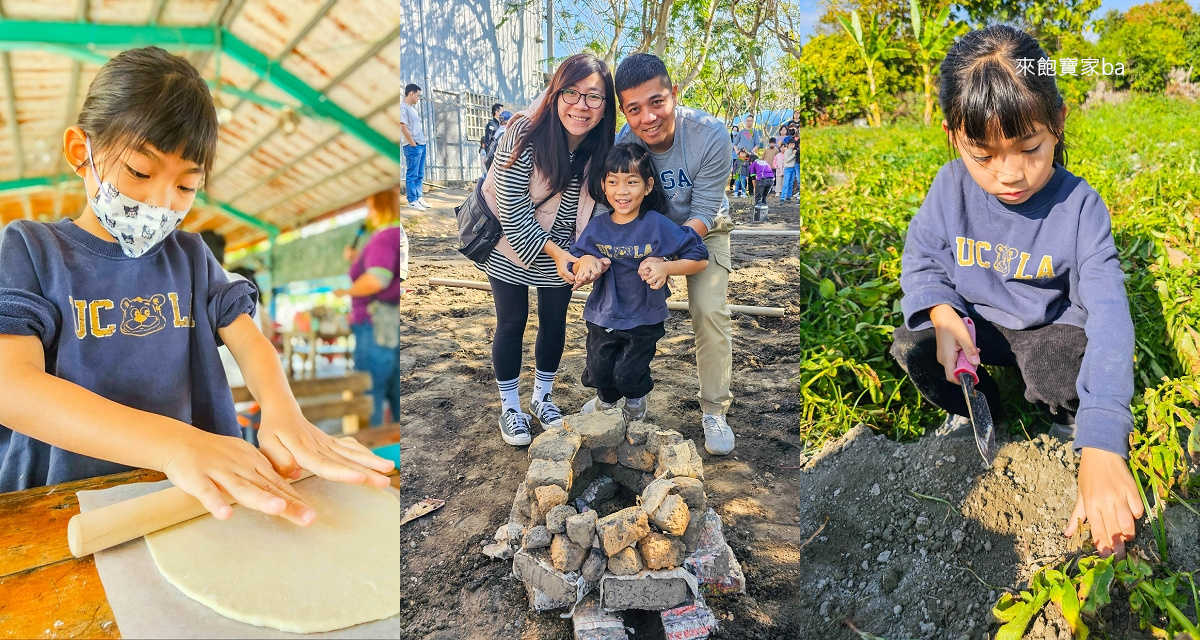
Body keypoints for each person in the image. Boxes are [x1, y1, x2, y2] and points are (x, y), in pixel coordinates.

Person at [0, 47, 393, 520]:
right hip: (68, 507)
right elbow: (11, 386)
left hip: (191, 502)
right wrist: (174, 444)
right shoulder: (31, 249)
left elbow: (251, 342)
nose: (161, 201)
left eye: (186, 186)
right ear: (82, 152)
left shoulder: (190, 257)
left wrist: (282, 410)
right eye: (140, 172)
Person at [889, 25, 1142, 559]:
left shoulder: (1079, 207)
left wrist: (1103, 439)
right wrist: (941, 313)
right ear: (954, 136)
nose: (1010, 173)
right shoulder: (948, 187)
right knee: (913, 346)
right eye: (984, 155)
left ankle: (1069, 423)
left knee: (1061, 360)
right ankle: (983, 411)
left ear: (1058, 123)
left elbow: (1111, 313)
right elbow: (924, 260)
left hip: (1045, 327)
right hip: (978, 327)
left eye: (1030, 148)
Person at [476, 53, 616, 446]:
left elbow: (601, 211)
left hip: (565, 254)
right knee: (511, 322)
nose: (581, 105)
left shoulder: (600, 151)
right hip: (509, 247)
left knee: (554, 323)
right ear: (555, 94)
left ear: (606, 108)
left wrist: (590, 255)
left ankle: (542, 397)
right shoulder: (522, 135)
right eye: (571, 92)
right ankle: (510, 406)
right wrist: (558, 255)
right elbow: (513, 211)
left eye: (594, 97)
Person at [612, 53, 738, 455]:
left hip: (706, 232)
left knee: (709, 311)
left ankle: (714, 410)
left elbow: (703, 212)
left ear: (675, 94)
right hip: (645, 236)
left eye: (657, 102)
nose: (648, 117)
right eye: (634, 109)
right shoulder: (623, 145)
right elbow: (615, 204)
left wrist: (668, 263)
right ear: (623, 111)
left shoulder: (711, 135)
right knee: (626, 310)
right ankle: (631, 395)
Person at [569, 144, 709, 422]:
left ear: (647, 186)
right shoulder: (597, 226)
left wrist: (666, 266)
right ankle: (606, 404)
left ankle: (635, 402)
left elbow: (699, 258)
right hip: (602, 314)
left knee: (628, 374)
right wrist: (585, 263)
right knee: (598, 370)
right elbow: (575, 259)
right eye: (613, 182)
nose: (622, 191)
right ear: (604, 186)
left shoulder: (656, 224)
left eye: (632, 182)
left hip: (644, 318)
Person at [335, 192, 404, 427]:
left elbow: (377, 280)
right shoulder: (398, 234)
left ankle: (370, 450)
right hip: (390, 319)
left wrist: (346, 292)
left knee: (369, 389)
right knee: (395, 388)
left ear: (382, 209)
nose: (369, 214)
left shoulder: (382, 237)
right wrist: (358, 260)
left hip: (373, 323)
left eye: (371, 208)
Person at [400, 83, 429, 211]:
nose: (418, 98)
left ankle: (418, 197)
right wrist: (413, 144)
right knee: (412, 174)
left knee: (420, 174)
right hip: (413, 146)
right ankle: (412, 200)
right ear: (411, 93)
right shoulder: (402, 108)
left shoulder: (413, 110)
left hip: (421, 145)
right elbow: (403, 128)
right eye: (418, 95)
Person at [480, 102, 503, 176]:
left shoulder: (500, 125)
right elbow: (488, 141)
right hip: (493, 156)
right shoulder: (491, 125)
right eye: (501, 111)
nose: (502, 114)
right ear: (496, 112)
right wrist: (488, 156)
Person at [778, 138, 798, 203]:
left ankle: (788, 196)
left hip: (793, 168)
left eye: (793, 144)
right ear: (788, 145)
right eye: (791, 144)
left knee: (791, 183)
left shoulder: (795, 150)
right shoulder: (787, 151)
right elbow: (786, 160)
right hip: (788, 168)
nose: (792, 145)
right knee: (786, 183)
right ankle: (782, 197)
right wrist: (793, 155)